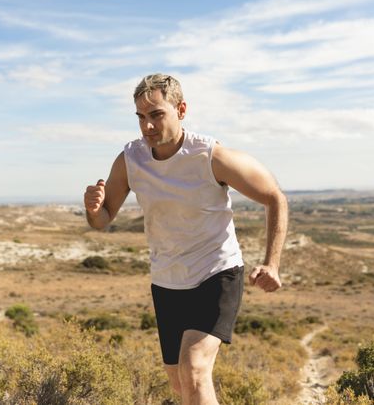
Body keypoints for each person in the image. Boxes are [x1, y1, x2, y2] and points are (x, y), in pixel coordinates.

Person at [84, 73, 288, 405]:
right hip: (167, 281)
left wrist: (272, 263)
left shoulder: (211, 155)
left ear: (181, 109)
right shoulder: (131, 159)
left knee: (194, 369)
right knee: (181, 384)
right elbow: (103, 218)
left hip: (216, 272)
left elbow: (274, 197)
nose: (147, 126)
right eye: (141, 118)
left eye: (156, 115)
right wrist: (93, 209)